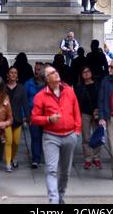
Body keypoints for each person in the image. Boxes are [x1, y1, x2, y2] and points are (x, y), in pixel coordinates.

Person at [31, 65, 82, 204]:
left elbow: (77, 111)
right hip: (51, 137)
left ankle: (60, 195)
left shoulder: (69, 91)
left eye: (56, 71)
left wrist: (77, 131)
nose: (56, 73)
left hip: (70, 135)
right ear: (47, 79)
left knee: (65, 171)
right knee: (52, 170)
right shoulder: (40, 96)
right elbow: (34, 118)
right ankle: (53, 200)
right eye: (52, 73)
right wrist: (48, 119)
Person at [75, 66, 102, 169]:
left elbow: (102, 98)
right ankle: (88, 159)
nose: (86, 74)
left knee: (97, 136)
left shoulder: (98, 85)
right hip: (85, 113)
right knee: (86, 138)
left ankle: (97, 158)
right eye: (84, 72)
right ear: (81, 75)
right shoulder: (79, 87)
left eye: (88, 71)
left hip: (97, 113)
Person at [4, 67, 31, 172]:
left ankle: (12, 158)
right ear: (8, 75)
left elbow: (25, 103)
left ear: (17, 76)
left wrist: (28, 118)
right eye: (11, 72)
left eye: (15, 73)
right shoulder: (3, 88)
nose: (13, 74)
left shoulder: (21, 88)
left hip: (18, 119)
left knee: (16, 142)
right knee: (8, 141)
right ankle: (7, 164)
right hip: (6, 119)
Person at [24, 62, 46, 168]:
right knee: (35, 136)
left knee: (47, 137)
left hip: (46, 115)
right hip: (34, 114)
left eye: (38, 70)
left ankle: (43, 156)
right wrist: (25, 115)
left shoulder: (48, 84)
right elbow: (24, 100)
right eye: (35, 69)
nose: (36, 72)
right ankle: (35, 159)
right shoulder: (29, 83)